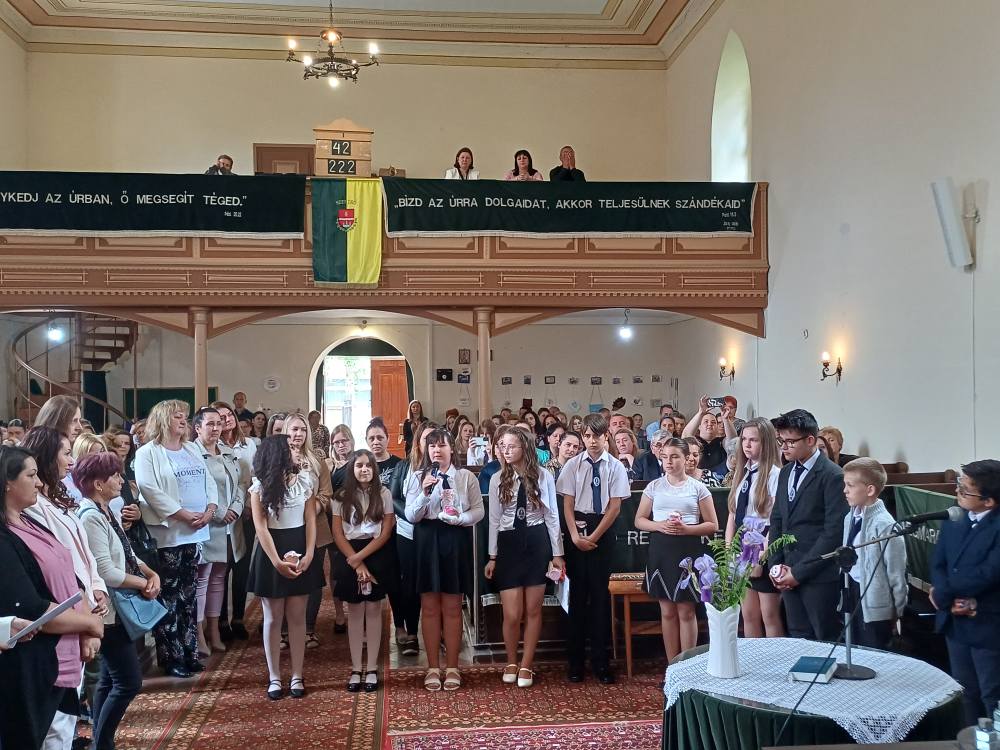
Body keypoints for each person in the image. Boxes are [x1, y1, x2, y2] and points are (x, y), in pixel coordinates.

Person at [0, 446, 105, 750]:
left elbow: (71, 576)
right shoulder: (4, 537)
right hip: (34, 662)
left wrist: (87, 623)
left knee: (60, 737)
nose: (39, 482)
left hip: (64, 650)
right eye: (31, 475)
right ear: (7, 483)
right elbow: (31, 607)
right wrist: (90, 624)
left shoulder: (30, 521)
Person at [74, 452, 159, 750]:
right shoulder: (90, 517)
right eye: (115, 476)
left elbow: (126, 551)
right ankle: (102, 742)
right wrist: (143, 583)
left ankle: (102, 741)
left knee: (110, 679)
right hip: (107, 610)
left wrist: (151, 573)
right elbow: (107, 572)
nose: (121, 481)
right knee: (128, 682)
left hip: (117, 608)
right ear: (98, 483)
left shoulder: (106, 511)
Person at [134, 399, 218, 678]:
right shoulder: (148, 452)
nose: (184, 421)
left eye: (185, 416)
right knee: (169, 597)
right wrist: (181, 514)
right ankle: (171, 657)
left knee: (189, 596)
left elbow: (208, 481)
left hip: (195, 531)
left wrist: (210, 510)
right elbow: (149, 489)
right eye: (177, 417)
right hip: (168, 533)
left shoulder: (192, 448)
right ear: (162, 420)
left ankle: (189, 652)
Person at [405, 428, 483, 691]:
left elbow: (478, 511)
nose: (436, 450)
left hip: (455, 538)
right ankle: (432, 667)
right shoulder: (417, 476)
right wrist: (425, 493)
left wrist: (461, 519)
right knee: (429, 606)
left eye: (441, 445)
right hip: (427, 539)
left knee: (452, 606)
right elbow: (411, 515)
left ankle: (452, 667)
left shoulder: (465, 477)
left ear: (452, 449)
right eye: (432, 446)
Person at [247, 435, 325, 700]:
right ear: (278, 454)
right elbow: (261, 527)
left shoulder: (304, 481)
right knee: (272, 617)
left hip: (299, 545)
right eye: (291, 448)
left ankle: (297, 674)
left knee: (297, 616)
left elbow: (310, 520)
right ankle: (274, 676)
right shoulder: (259, 487)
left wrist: (310, 553)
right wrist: (276, 561)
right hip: (272, 550)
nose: (297, 450)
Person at [486, 426, 563, 688]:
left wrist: (557, 553)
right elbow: (494, 519)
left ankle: (527, 664)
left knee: (533, 609)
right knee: (511, 612)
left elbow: (552, 515)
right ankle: (511, 660)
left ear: (525, 448)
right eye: (503, 446)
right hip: (509, 542)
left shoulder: (543, 476)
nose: (506, 451)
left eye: (512, 446)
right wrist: (492, 556)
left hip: (536, 540)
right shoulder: (497, 478)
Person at [556, 413, 630, 684]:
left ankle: (601, 662)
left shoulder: (615, 467)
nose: (592, 441)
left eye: (597, 436)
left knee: (600, 597)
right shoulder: (573, 465)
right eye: (587, 436)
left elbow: (615, 506)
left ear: (605, 437)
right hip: (576, 528)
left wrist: (594, 537)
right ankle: (575, 662)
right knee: (576, 597)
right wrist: (575, 537)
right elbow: (567, 503)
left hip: (603, 530)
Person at [767, 409, 847, 641]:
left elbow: (833, 532)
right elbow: (777, 520)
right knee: (798, 637)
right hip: (787, 571)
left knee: (824, 639)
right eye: (781, 441)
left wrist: (799, 572)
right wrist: (776, 565)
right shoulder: (785, 472)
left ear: (810, 440)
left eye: (790, 442)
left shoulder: (832, 475)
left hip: (818, 576)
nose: (784, 447)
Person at [931, 460, 1000, 727]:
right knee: (964, 690)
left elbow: (989, 573)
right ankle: (970, 737)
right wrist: (944, 597)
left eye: (965, 489)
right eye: (959, 484)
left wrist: (945, 594)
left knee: (992, 694)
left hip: (987, 623)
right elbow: (938, 561)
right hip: (956, 620)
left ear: (989, 501)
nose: (957, 491)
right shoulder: (956, 518)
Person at [635, 438, 718, 661]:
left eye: (674, 457)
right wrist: (659, 525)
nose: (669, 462)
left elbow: (712, 525)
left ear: (686, 458)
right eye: (665, 457)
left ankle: (686, 664)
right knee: (667, 611)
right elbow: (639, 520)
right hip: (661, 551)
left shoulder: (698, 488)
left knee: (686, 611)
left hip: (687, 549)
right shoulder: (654, 486)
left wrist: (687, 529)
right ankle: (672, 664)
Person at [332, 449, 396, 692]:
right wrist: (356, 562)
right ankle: (356, 667)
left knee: (374, 610)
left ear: (374, 469)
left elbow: (386, 531)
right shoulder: (340, 496)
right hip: (350, 552)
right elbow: (338, 533)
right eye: (359, 465)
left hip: (375, 551)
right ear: (352, 469)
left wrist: (360, 558)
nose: (364, 469)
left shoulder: (384, 493)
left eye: (368, 465)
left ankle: (371, 668)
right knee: (356, 611)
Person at [192, 407, 247, 655]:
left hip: (230, 525)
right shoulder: (191, 453)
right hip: (207, 524)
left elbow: (241, 484)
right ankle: (199, 633)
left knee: (219, 579)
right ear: (197, 428)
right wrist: (218, 512)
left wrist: (235, 508)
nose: (216, 428)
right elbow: (193, 490)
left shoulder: (227, 451)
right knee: (202, 580)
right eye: (210, 424)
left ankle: (214, 630)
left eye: (219, 423)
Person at [724, 417, 783, 638]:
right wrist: (729, 550)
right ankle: (753, 657)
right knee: (748, 614)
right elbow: (733, 513)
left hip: (763, 545)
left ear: (766, 443)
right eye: (744, 439)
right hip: (741, 546)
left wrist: (761, 557)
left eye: (754, 440)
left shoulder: (775, 474)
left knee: (769, 614)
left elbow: (775, 520)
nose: (747, 445)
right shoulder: (743, 472)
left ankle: (775, 657)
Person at [840, 458, 907, 650]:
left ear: (869, 490)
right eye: (845, 484)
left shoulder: (885, 524)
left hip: (876, 603)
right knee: (854, 649)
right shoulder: (850, 517)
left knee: (874, 651)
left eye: (850, 485)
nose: (845, 490)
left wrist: (898, 612)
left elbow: (896, 573)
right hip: (852, 591)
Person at [284, 411, 335, 649]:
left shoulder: (317, 460)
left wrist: (311, 510)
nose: (299, 434)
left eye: (303, 429)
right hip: (284, 527)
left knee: (313, 579)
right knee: (288, 576)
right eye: (294, 429)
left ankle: (309, 628)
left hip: (315, 525)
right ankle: (285, 630)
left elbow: (326, 493)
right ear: (286, 431)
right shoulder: (277, 458)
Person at [212, 400, 256, 643]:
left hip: (246, 512)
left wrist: (248, 505)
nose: (226, 419)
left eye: (229, 415)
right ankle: (220, 620)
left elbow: (254, 477)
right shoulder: (212, 446)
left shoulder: (248, 444)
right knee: (222, 568)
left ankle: (238, 618)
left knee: (242, 567)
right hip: (222, 516)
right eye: (220, 417)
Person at [388, 422, 432, 656]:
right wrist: (411, 514)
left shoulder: (446, 467)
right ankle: (411, 632)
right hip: (408, 531)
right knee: (410, 582)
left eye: (436, 440)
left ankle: (438, 632)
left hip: (435, 533)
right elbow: (393, 497)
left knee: (433, 582)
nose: (432, 445)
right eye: (427, 440)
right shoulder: (404, 466)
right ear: (418, 443)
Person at [682, 396, 728, 473]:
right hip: (698, 477)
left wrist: (726, 418)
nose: (710, 424)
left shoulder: (722, 442)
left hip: (720, 478)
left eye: (713, 422)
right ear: (699, 426)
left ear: (717, 426)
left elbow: (733, 440)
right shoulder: (694, 441)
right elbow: (686, 435)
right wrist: (700, 413)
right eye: (706, 421)